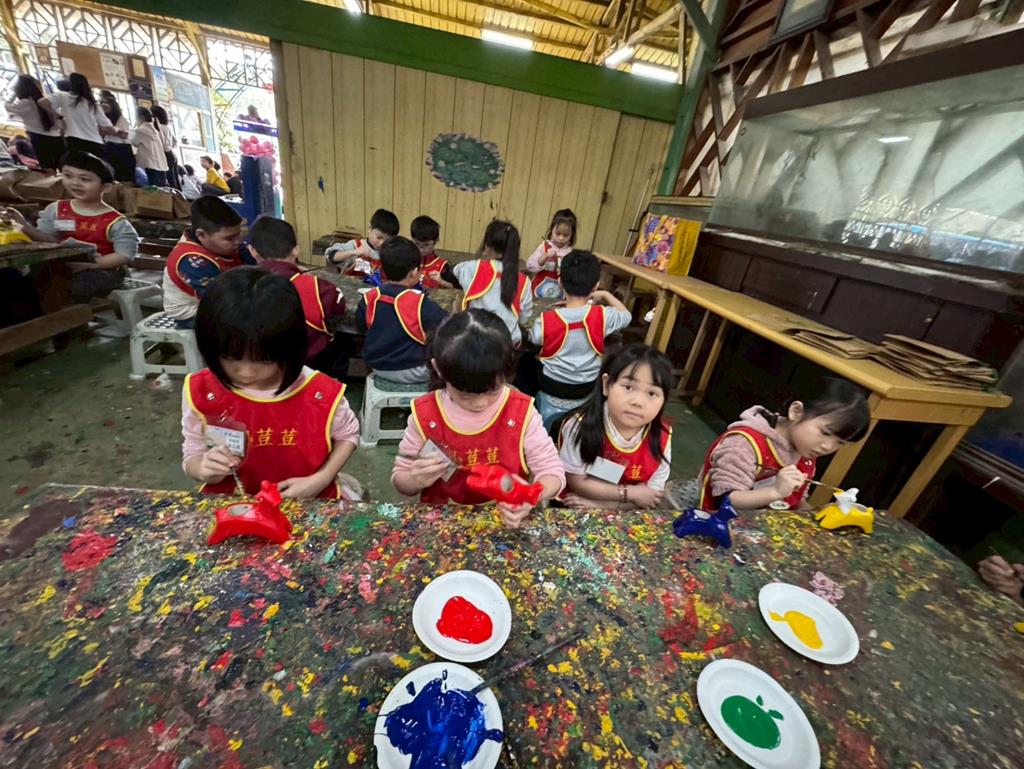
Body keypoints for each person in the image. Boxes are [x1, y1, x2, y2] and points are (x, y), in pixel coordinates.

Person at [181, 267, 360, 500]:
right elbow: (192, 454)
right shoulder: (202, 391)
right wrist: (203, 469)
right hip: (235, 502)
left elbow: (348, 435)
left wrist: (322, 478)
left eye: (263, 360)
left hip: (307, 499)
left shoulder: (321, 394)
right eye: (230, 357)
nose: (245, 372)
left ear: (290, 346)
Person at [391, 309, 564, 527]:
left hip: (505, 523)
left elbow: (552, 471)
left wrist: (532, 494)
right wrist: (414, 479)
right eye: (465, 395)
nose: (480, 404)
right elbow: (401, 479)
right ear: (439, 369)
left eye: (493, 391)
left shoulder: (521, 412)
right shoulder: (426, 415)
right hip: (443, 524)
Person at [697, 377, 871, 512]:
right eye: (825, 433)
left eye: (840, 442)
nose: (828, 447)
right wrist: (775, 492)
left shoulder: (806, 449)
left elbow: (795, 501)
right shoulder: (743, 444)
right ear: (796, 412)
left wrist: (814, 514)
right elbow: (726, 500)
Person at [1, 152, 139, 302]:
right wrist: (23, 225)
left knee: (70, 287)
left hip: (102, 270)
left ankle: (71, 314)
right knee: (24, 282)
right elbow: (49, 240)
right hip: (62, 266)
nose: (75, 183)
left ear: (106, 187)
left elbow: (124, 254)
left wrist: (90, 265)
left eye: (84, 179)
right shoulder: (56, 210)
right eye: (68, 176)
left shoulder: (115, 221)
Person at [558, 344, 673, 510]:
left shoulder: (663, 436)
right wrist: (632, 493)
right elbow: (576, 482)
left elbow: (650, 497)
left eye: (651, 393)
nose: (637, 402)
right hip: (577, 506)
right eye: (628, 387)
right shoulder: (580, 426)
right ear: (606, 385)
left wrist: (600, 505)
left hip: (624, 509)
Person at [528, 250, 633, 429]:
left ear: (560, 282)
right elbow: (626, 316)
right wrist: (605, 295)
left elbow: (533, 338)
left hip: (552, 385)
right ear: (595, 286)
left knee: (527, 361)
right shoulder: (603, 316)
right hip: (586, 386)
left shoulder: (547, 319)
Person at [249, 215, 345, 364]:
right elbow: (339, 304)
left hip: (257, 364)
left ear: (252, 250)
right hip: (307, 364)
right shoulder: (316, 287)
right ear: (296, 250)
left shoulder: (238, 284)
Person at [357, 236, 448, 384]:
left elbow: (361, 326)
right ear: (414, 272)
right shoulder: (418, 302)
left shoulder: (370, 297)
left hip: (377, 367)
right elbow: (446, 324)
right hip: (413, 369)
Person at [163, 196, 251, 328]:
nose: (237, 242)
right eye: (230, 238)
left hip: (226, 298)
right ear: (201, 235)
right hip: (193, 312)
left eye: (239, 234)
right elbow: (223, 301)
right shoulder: (192, 261)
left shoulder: (225, 244)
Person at [450, 219, 531, 347]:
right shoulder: (524, 281)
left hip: (475, 338)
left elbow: (455, 271)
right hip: (507, 342)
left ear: (488, 247)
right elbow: (524, 317)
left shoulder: (474, 268)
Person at [38, 72, 116, 158]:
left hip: (73, 139)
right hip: (93, 141)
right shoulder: (92, 103)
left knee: (78, 164)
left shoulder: (62, 96)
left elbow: (42, 102)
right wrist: (116, 130)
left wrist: (58, 115)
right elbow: (106, 126)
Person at [5, 74, 63, 170]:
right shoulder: (45, 100)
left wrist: (14, 93)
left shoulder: (24, 104)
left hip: (39, 139)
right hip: (56, 137)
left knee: (48, 169)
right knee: (61, 166)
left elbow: (7, 106)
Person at [324, 208, 399, 275]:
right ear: (370, 228)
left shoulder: (390, 252)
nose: (382, 243)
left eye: (387, 240)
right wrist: (353, 252)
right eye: (379, 237)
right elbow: (331, 256)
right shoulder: (356, 245)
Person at [526, 208, 576, 299]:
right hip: (538, 292)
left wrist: (566, 272)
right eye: (557, 233)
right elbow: (529, 266)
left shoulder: (571, 253)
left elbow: (575, 278)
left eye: (565, 235)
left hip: (559, 295)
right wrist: (544, 257)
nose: (561, 238)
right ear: (551, 229)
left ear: (572, 235)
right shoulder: (544, 247)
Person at [129, 107, 168, 187]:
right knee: (162, 189)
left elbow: (134, 142)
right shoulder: (155, 128)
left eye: (136, 118)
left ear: (141, 117)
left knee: (153, 190)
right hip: (161, 164)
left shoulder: (141, 130)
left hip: (151, 165)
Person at [99, 97, 135, 183]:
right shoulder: (102, 119)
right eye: (102, 105)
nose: (104, 107)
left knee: (126, 176)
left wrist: (110, 130)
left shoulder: (121, 119)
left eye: (106, 105)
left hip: (122, 148)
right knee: (113, 174)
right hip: (109, 147)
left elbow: (124, 135)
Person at [410, 215, 450, 289]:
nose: (421, 249)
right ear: (412, 239)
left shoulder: (442, 266)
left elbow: (454, 289)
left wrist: (441, 281)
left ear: (436, 241)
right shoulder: (405, 261)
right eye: (417, 244)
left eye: (426, 245)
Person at [149, 105, 179, 189]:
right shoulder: (166, 127)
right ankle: (177, 195)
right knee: (173, 181)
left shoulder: (156, 128)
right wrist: (168, 147)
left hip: (163, 156)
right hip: (171, 154)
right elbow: (174, 141)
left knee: (163, 183)